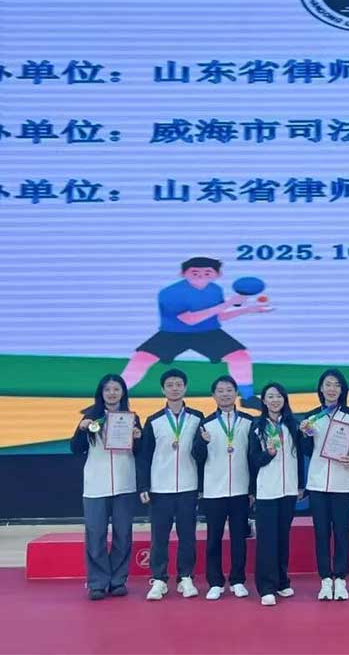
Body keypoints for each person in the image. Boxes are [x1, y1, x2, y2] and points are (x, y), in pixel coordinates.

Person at [121, 257, 272, 407]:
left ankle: (248, 398)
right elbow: (190, 319)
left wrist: (248, 309)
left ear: (217, 274)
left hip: (208, 332)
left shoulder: (215, 290)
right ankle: (117, 396)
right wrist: (229, 303)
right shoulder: (171, 292)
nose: (201, 276)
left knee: (240, 356)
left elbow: (219, 316)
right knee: (141, 359)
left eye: (207, 272)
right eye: (195, 272)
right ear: (183, 273)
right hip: (173, 333)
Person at [70, 374, 142, 600]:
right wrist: (82, 429)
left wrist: (138, 437)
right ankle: (97, 583)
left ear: (123, 393)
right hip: (96, 485)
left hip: (124, 484)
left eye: (116, 389)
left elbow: (140, 451)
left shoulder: (132, 418)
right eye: (107, 389)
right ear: (101, 393)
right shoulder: (90, 418)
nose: (112, 393)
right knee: (96, 534)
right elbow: (75, 448)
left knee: (123, 534)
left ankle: (118, 580)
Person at [136, 368, 205, 601]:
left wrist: (202, 486)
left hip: (188, 486)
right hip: (160, 488)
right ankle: (159, 579)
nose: (174, 388)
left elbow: (203, 454)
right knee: (159, 536)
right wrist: (144, 486)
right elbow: (145, 456)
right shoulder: (153, 420)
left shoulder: (197, 417)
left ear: (185, 388)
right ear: (163, 390)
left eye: (178, 384)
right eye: (170, 385)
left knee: (188, 535)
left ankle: (186, 577)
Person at [300, 369, 349, 601]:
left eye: (336, 384)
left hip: (342, 483)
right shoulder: (311, 417)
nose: (332, 388)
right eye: (328, 384)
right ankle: (325, 579)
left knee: (342, 533)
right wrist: (305, 434)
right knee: (321, 533)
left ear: (342, 389)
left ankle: (341, 579)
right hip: (317, 484)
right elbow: (306, 451)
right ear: (321, 388)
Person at [192, 375, 254, 600]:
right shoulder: (205, 424)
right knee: (213, 538)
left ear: (236, 393)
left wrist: (252, 490)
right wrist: (202, 442)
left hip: (240, 489)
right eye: (220, 390)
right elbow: (197, 457)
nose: (225, 394)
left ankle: (237, 580)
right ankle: (215, 582)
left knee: (239, 538)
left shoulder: (249, 422)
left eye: (229, 390)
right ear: (213, 395)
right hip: (214, 490)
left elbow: (253, 457)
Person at [248, 383, 305, 607]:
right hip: (267, 491)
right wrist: (268, 455)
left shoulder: (293, 425)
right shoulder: (257, 427)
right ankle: (266, 587)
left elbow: (299, 457)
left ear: (284, 399)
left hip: (288, 490)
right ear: (263, 401)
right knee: (267, 540)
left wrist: (300, 485)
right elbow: (253, 460)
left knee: (282, 537)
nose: (275, 400)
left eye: (279, 396)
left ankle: (282, 581)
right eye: (270, 397)